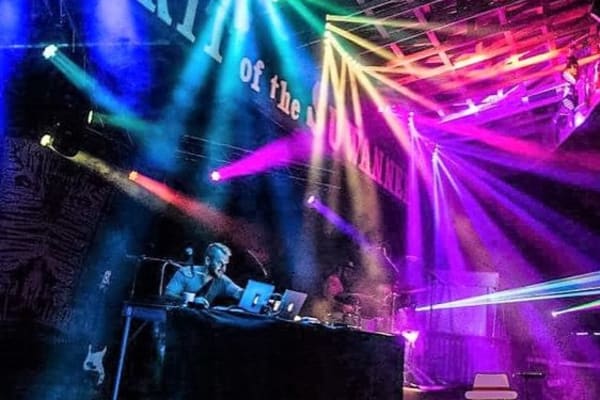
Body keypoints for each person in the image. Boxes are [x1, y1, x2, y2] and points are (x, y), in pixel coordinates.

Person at [164, 242, 243, 307]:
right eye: (220, 263)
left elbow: (240, 293)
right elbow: (168, 296)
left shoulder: (223, 281)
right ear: (208, 260)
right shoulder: (185, 273)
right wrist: (191, 300)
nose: (224, 269)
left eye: (225, 264)